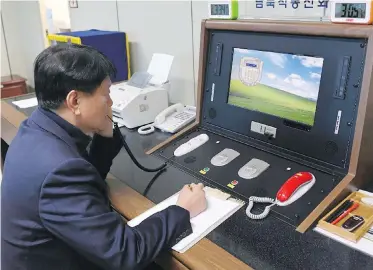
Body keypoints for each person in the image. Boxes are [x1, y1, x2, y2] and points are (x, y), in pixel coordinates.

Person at [1, 43, 207, 270]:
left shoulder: (35, 129)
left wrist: (106, 137)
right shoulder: (61, 171)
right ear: (74, 101)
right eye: (106, 94)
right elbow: (126, 253)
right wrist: (183, 210)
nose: (110, 103)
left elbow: (77, 189)